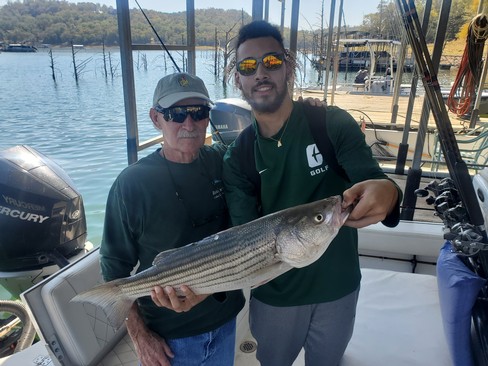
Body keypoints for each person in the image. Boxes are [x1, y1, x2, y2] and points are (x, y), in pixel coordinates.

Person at [223, 20, 401, 366]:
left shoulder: (330, 124)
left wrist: (389, 192)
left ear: (288, 66)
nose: (261, 72)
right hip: (275, 297)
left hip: (338, 289)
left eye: (272, 61)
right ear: (238, 79)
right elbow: (243, 237)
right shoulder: (238, 158)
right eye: (248, 66)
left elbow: (375, 180)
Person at [100, 72, 245, 366]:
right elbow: (114, 265)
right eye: (176, 114)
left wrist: (306, 110)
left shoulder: (222, 161)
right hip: (169, 340)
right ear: (156, 118)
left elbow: (268, 145)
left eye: (198, 112)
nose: (189, 124)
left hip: (225, 321)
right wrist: (140, 337)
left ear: (208, 117)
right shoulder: (131, 184)